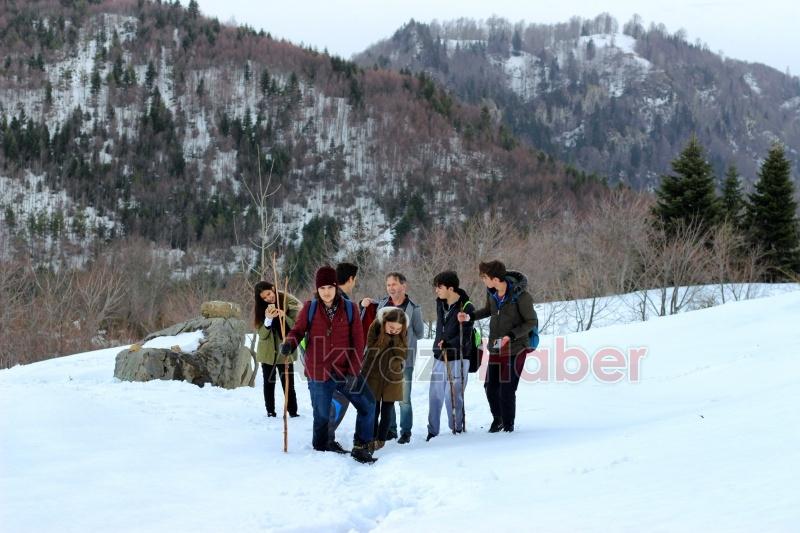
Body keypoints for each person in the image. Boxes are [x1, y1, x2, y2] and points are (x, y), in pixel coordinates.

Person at [280, 265, 377, 464]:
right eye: (322, 288)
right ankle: (322, 448)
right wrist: (290, 343)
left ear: (336, 287)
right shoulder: (310, 308)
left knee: (368, 404)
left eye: (330, 287)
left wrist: (353, 371)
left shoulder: (350, 308)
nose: (326, 292)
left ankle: (361, 446)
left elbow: (358, 342)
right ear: (317, 289)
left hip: (345, 370)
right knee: (322, 416)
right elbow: (298, 331)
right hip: (319, 371)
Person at [458, 260, 537, 433]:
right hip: (496, 346)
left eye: (484, 277)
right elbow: (489, 310)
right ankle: (498, 419)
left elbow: (531, 322)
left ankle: (508, 427)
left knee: (507, 388)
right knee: (490, 387)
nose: (483, 281)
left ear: (494, 279)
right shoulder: (492, 293)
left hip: (516, 348)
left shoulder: (521, 296)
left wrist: (511, 335)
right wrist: (470, 317)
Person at [360, 272, 424, 444]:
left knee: (404, 400)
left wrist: (402, 338)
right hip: (380, 362)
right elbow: (373, 325)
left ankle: (406, 432)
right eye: (388, 285)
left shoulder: (414, 308)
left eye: (394, 284)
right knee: (387, 397)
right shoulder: (382, 304)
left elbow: (419, 333)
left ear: (404, 286)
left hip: (403, 361)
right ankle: (391, 430)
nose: (390, 288)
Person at [427, 271, 474, 440]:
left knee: (452, 395)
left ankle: (457, 428)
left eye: (439, 287)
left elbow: (466, 335)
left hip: (459, 356)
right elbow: (441, 328)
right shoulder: (440, 303)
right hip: (440, 354)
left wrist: (449, 344)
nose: (436, 290)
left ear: (451, 288)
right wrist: (439, 345)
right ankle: (432, 431)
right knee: (435, 395)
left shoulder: (466, 307)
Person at [361, 307, 407, 451]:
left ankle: (381, 439)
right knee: (373, 410)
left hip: (392, 377)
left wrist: (395, 340)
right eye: (391, 328)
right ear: (385, 322)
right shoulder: (375, 327)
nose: (394, 331)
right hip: (374, 375)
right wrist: (386, 338)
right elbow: (372, 350)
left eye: (398, 329)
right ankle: (371, 437)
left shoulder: (402, 333)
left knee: (387, 411)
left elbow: (403, 354)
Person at [253, 280, 301, 417]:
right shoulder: (261, 308)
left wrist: (283, 316)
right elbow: (262, 335)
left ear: (273, 289)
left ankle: (293, 412)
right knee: (269, 384)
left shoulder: (288, 302)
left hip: (285, 351)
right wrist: (268, 319)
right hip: (267, 353)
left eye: (269, 294)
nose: (268, 298)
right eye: (264, 297)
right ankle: (270, 412)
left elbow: (296, 327)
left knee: (288, 384)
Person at [326, 262, 359, 453]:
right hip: (335, 361)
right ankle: (327, 439)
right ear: (351, 278)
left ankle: (325, 437)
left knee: (333, 398)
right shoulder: (340, 301)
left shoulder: (332, 297)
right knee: (339, 398)